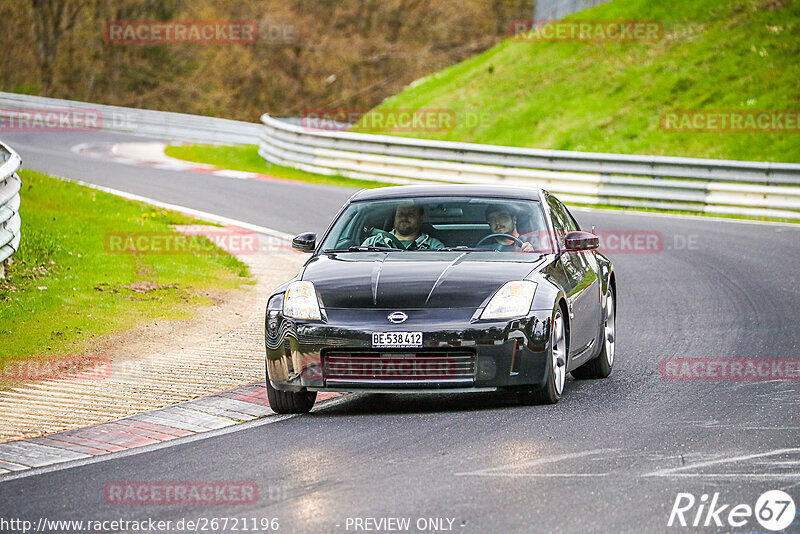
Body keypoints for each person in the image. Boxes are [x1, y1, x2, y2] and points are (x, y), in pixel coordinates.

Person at [361, 203, 444, 250]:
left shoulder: (434, 246)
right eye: (401, 214)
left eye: (410, 214)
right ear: (395, 217)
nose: (404, 217)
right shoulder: (373, 243)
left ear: (420, 219)